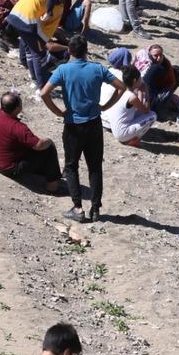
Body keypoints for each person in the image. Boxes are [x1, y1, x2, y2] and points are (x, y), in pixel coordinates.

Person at [40, 36, 126, 224]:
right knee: (95, 167)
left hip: (73, 125)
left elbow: (44, 92)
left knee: (71, 166)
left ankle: (78, 207)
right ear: (86, 50)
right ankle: (95, 209)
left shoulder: (63, 70)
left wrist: (57, 112)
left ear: (69, 51)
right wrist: (105, 106)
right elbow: (121, 87)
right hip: (94, 123)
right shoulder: (97, 68)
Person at [7, 0, 77, 89]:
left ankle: (33, 75)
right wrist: (49, 12)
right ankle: (42, 85)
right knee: (39, 55)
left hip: (15, 16)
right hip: (28, 23)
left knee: (29, 50)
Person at [0, 92, 63, 194]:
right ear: (18, 108)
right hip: (10, 168)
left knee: (34, 149)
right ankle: (53, 186)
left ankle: (45, 172)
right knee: (48, 148)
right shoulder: (18, 127)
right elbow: (38, 145)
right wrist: (49, 141)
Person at [102, 65, 156, 146]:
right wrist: (146, 91)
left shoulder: (121, 90)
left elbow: (139, 107)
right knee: (153, 115)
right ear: (134, 81)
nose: (141, 80)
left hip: (115, 127)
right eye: (140, 79)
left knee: (139, 112)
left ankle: (130, 136)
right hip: (121, 134)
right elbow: (146, 110)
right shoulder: (131, 96)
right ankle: (131, 139)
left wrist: (140, 92)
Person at [137, 43, 179, 121]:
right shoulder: (146, 64)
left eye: (160, 55)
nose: (159, 58)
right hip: (147, 92)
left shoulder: (165, 64)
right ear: (149, 55)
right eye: (155, 55)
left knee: (176, 70)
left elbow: (171, 81)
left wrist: (166, 91)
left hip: (161, 86)